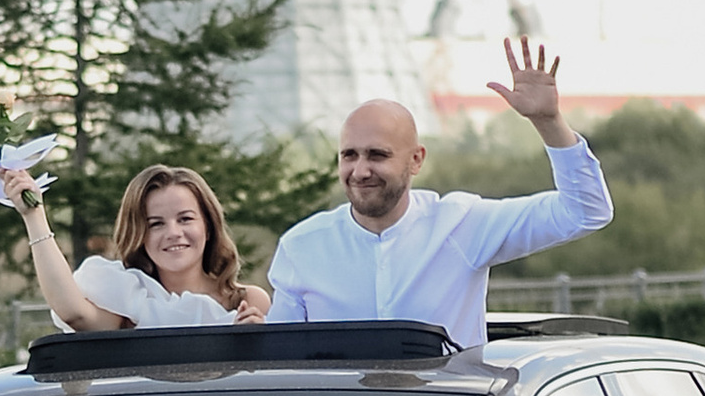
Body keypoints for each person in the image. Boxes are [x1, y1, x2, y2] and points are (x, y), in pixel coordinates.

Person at [263, 41, 613, 347]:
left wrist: (548, 122)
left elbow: (585, 211)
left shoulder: (462, 224)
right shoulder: (302, 247)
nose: (360, 171)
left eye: (377, 155)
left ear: (416, 160)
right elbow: (284, 364)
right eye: (349, 156)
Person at [0, 157, 275, 335]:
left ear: (208, 225)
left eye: (185, 219)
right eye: (156, 224)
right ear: (139, 233)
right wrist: (33, 215)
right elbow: (74, 313)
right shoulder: (129, 304)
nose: (173, 233)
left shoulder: (247, 301)